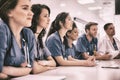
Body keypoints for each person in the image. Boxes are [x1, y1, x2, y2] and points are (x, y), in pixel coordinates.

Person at [0, 0, 35, 79]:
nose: (31, 13)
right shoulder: (2, 29)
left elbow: (30, 68)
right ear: (9, 12)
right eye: (25, 8)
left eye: (31, 9)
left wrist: (5, 70)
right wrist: (20, 70)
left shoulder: (28, 34)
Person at [30, 4, 56, 74]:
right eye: (45, 16)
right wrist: (49, 67)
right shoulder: (29, 36)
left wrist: (43, 62)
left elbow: (53, 62)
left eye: (48, 16)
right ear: (36, 18)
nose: (49, 19)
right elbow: (35, 69)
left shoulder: (39, 39)